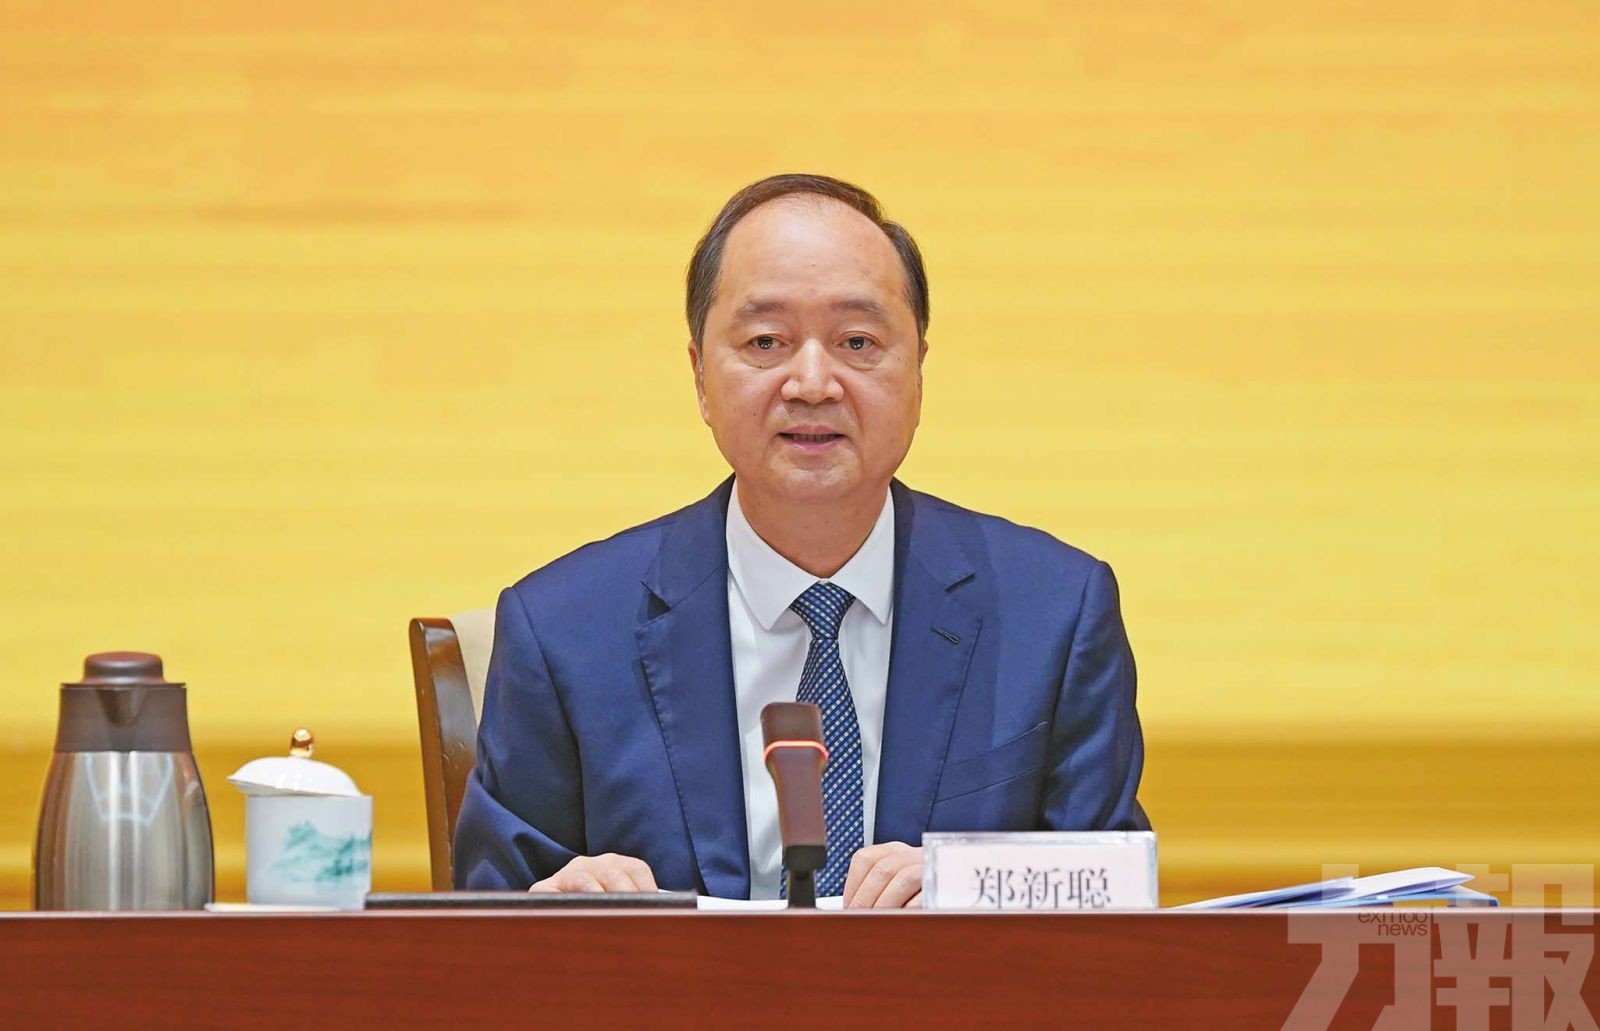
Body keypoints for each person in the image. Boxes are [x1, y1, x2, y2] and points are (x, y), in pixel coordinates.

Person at [454, 173, 1149, 907]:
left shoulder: (1054, 613)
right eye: (766, 342)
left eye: (857, 341)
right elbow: (479, 924)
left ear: (918, 372)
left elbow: (1116, 899)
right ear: (700, 376)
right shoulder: (561, 629)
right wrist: (550, 910)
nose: (813, 382)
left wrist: (973, 888)